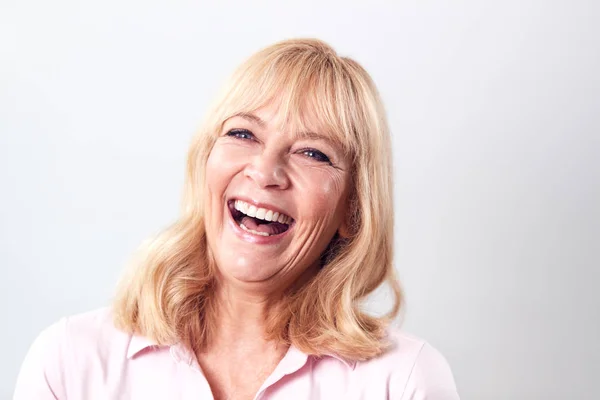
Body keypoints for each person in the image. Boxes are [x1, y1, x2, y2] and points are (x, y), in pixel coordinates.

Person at [14, 38, 459, 400]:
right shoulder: (70, 362)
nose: (265, 172)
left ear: (353, 209)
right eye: (243, 133)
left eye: (312, 153)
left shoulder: (403, 383)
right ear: (204, 163)